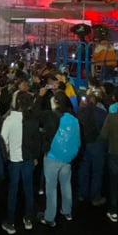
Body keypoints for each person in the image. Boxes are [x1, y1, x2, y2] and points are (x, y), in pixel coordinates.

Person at [0, 91, 41, 234]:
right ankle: (28, 219)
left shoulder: (9, 120)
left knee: (13, 190)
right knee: (28, 189)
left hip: (14, 160)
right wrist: (35, 156)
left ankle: (11, 222)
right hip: (28, 159)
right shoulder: (33, 121)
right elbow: (37, 141)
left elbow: (3, 141)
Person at [41, 90, 81, 227]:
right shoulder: (74, 119)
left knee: (51, 188)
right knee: (66, 184)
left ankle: (49, 217)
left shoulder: (53, 117)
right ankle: (67, 210)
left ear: (56, 103)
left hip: (53, 156)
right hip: (68, 157)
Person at [76, 91, 108, 207]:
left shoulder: (80, 112)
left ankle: (81, 194)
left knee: (83, 169)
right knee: (97, 172)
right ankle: (95, 197)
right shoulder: (102, 113)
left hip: (84, 143)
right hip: (98, 144)